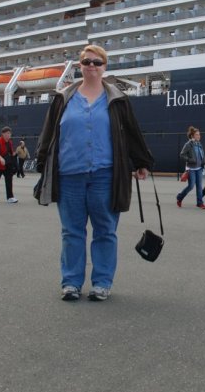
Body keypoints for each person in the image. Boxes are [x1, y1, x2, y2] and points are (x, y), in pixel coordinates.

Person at [35, 44, 153, 302]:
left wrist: (140, 161)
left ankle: (101, 282)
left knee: (105, 230)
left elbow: (131, 132)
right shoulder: (63, 98)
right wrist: (42, 162)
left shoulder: (117, 100)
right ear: (80, 66)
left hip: (105, 175)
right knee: (71, 232)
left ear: (104, 67)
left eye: (97, 62)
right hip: (69, 176)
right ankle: (71, 283)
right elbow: (49, 133)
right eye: (87, 62)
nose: (91, 66)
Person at [176, 126, 205, 209]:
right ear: (192, 136)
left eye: (199, 134)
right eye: (197, 135)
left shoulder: (199, 144)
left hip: (199, 168)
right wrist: (190, 160)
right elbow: (182, 155)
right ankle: (179, 197)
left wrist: (204, 160)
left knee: (199, 186)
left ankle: (200, 203)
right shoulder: (188, 144)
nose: (199, 136)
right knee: (191, 186)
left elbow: (201, 154)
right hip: (191, 169)